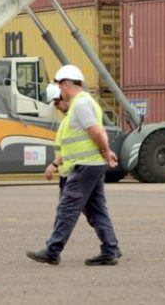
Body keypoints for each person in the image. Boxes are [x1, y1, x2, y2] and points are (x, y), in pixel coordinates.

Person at [27, 65, 121, 266]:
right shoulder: (86, 103)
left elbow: (96, 132)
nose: (60, 92)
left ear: (67, 84)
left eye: (60, 87)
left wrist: (106, 151)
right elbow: (96, 131)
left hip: (84, 166)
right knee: (96, 210)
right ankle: (111, 249)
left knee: (67, 208)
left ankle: (53, 250)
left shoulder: (80, 104)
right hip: (90, 165)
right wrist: (106, 152)